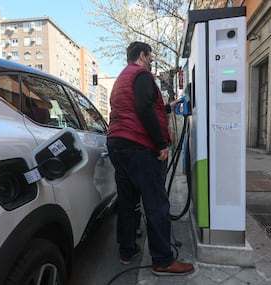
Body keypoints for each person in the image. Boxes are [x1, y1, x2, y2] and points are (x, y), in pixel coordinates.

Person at [107, 41, 194, 276]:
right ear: (143, 55)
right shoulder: (142, 75)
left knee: (128, 201)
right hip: (139, 146)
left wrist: (167, 107)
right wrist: (161, 143)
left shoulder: (122, 79)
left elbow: (133, 108)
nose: (152, 59)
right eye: (150, 55)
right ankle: (163, 261)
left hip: (117, 144)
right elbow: (143, 108)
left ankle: (127, 250)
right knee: (156, 203)